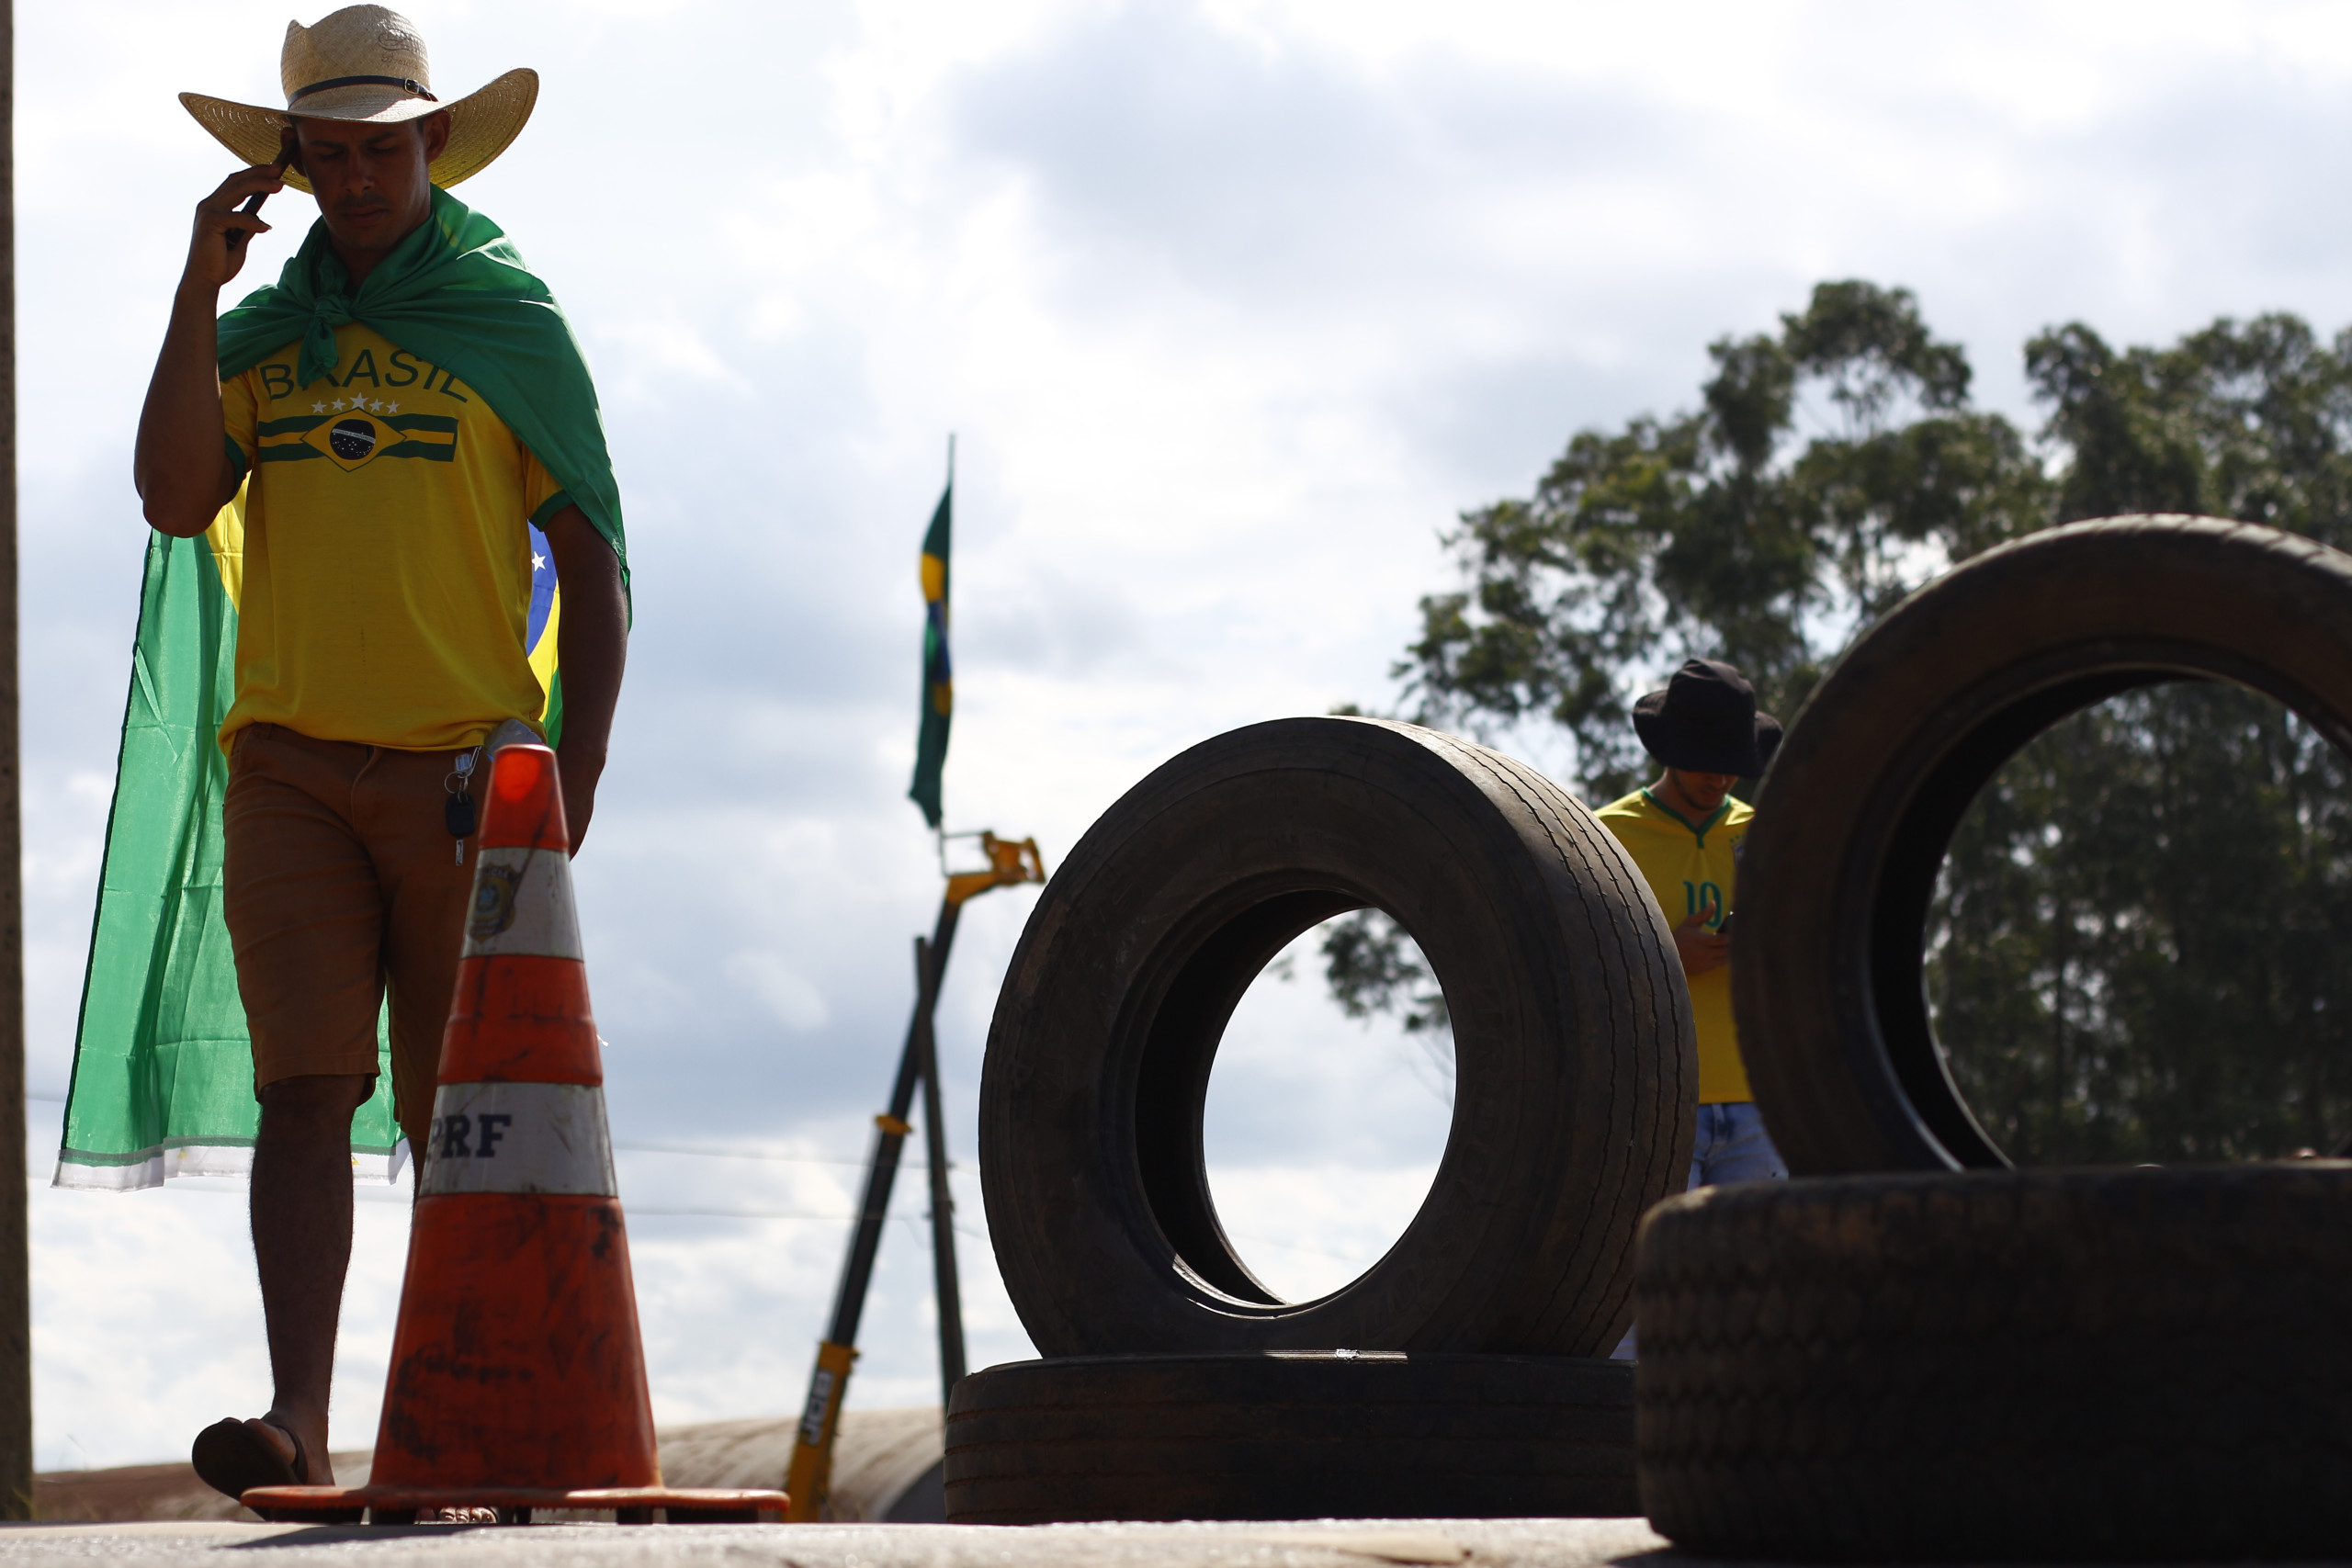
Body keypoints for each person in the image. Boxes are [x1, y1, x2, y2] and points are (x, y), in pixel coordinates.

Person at [138, 7, 629, 1497]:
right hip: (288, 763)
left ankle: (467, 1407)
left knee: (451, 1115)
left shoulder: (510, 327)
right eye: (331, 154)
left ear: (433, 148)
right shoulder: (258, 336)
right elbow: (170, 498)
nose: (358, 178)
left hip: (463, 771)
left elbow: (592, 561)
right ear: (295, 164)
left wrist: (571, 776)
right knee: (305, 1085)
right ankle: (299, 1417)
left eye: (383, 151)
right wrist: (196, 284)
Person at [1598, 660, 1786, 1361]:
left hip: (1756, 1100)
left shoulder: (1769, 834)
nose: (1720, 777)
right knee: (1637, 1297)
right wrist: (1661, 950)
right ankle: (1611, 1460)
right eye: (1706, 762)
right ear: (1667, 749)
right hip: (1658, 1100)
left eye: (1731, 763)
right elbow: (1582, 972)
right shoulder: (1605, 836)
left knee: (1747, 1300)